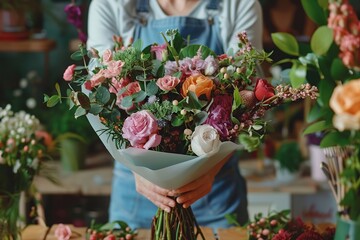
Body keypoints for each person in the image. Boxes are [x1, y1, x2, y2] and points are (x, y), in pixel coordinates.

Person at [86, 0, 263, 230]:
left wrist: (209, 171)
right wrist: (137, 170)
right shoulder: (111, 4)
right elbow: (99, 94)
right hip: (137, 193)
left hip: (213, 195)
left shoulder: (239, 4)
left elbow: (248, 99)